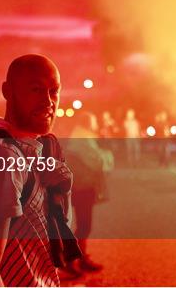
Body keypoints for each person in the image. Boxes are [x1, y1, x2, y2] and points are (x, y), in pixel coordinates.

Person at [0, 54, 74, 286]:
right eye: (36, 90)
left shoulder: (31, 152)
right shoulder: (0, 156)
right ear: (7, 91)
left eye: (54, 91)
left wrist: (61, 191)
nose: (48, 101)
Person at [63, 112, 113, 277]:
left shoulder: (82, 138)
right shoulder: (83, 141)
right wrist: (107, 153)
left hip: (82, 185)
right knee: (84, 226)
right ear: (88, 124)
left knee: (84, 225)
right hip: (82, 187)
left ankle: (80, 257)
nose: (96, 124)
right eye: (94, 122)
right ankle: (70, 259)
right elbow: (98, 162)